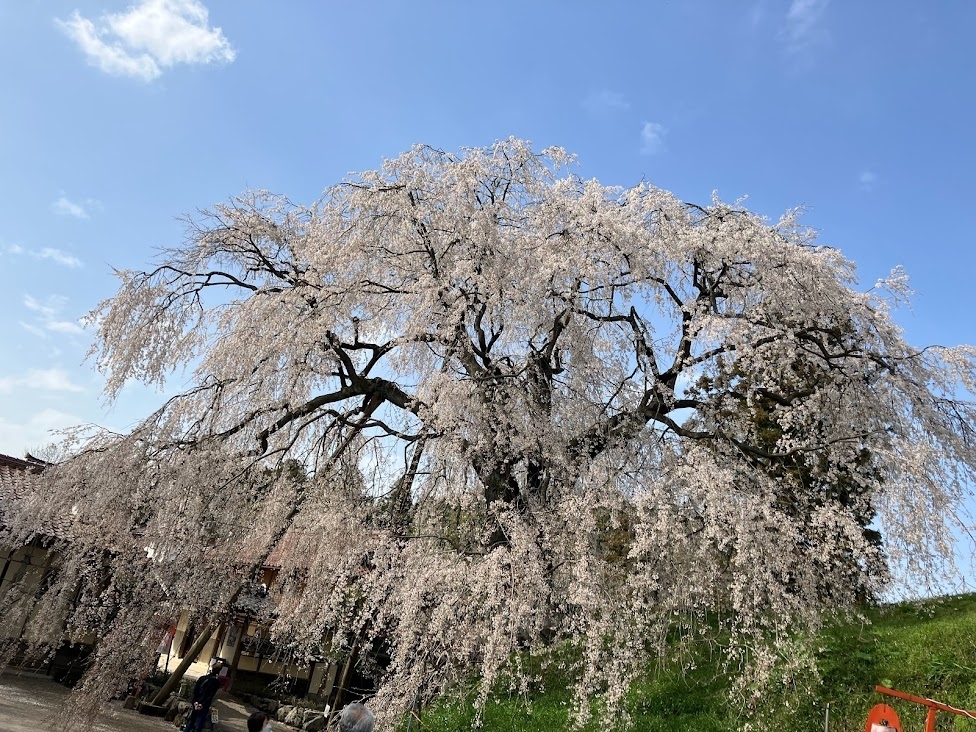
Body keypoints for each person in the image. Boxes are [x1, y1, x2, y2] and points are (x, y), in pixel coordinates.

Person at [183, 659, 224, 732]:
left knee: (190, 723)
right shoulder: (217, 682)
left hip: (195, 704)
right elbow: (211, 695)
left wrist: (195, 702)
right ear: (219, 671)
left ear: (212, 668)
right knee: (198, 726)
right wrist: (202, 704)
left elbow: (195, 691)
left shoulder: (202, 678)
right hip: (204, 706)